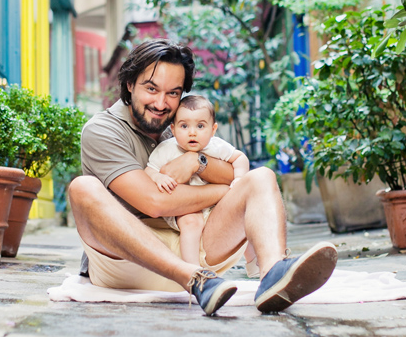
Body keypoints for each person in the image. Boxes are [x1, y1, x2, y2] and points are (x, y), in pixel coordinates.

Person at [68, 39, 337, 316]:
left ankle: (272, 275)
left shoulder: (181, 125)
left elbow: (234, 172)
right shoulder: (102, 130)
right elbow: (154, 202)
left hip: (194, 246)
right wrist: (225, 191)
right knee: (82, 188)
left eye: (173, 93)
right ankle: (193, 278)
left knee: (261, 177)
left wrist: (197, 161)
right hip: (126, 262)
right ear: (129, 84)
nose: (161, 103)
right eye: (151, 89)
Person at [144, 94, 260, 278]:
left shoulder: (216, 146)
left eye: (200, 126)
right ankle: (193, 272)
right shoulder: (167, 149)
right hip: (183, 207)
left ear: (213, 129)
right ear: (173, 129)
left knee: (243, 215)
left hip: (214, 206)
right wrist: (157, 177)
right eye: (184, 126)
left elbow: (240, 158)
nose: (192, 132)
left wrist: (239, 178)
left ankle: (254, 262)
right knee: (192, 222)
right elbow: (149, 170)